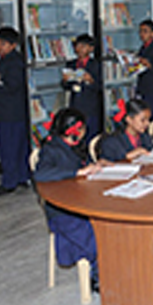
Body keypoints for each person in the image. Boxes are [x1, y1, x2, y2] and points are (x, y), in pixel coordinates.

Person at [34, 108, 108, 292]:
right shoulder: (52, 149)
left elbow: (85, 165)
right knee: (96, 236)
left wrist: (96, 165)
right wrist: (77, 172)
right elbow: (41, 174)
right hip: (62, 211)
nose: (84, 132)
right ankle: (98, 276)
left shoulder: (77, 145)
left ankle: (110, 265)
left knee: (111, 224)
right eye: (82, 128)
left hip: (83, 201)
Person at [0, 27, 29, 196]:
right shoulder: (9, 60)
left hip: (9, 113)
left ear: (13, 45)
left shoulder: (14, 62)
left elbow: (10, 87)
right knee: (18, 147)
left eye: (3, 44)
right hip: (14, 112)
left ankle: (9, 182)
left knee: (8, 149)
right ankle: (21, 177)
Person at [62, 34, 102, 141]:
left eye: (83, 46)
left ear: (91, 48)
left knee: (91, 136)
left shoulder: (96, 65)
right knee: (76, 136)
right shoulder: (71, 64)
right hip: (75, 105)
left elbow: (100, 87)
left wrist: (90, 80)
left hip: (90, 107)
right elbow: (65, 87)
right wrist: (65, 80)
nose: (79, 49)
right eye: (77, 46)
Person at [136, 20, 153, 119]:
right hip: (142, 87)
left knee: (151, 116)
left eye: (145, 31)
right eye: (140, 31)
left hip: (152, 89)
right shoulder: (142, 48)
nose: (142, 34)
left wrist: (148, 65)